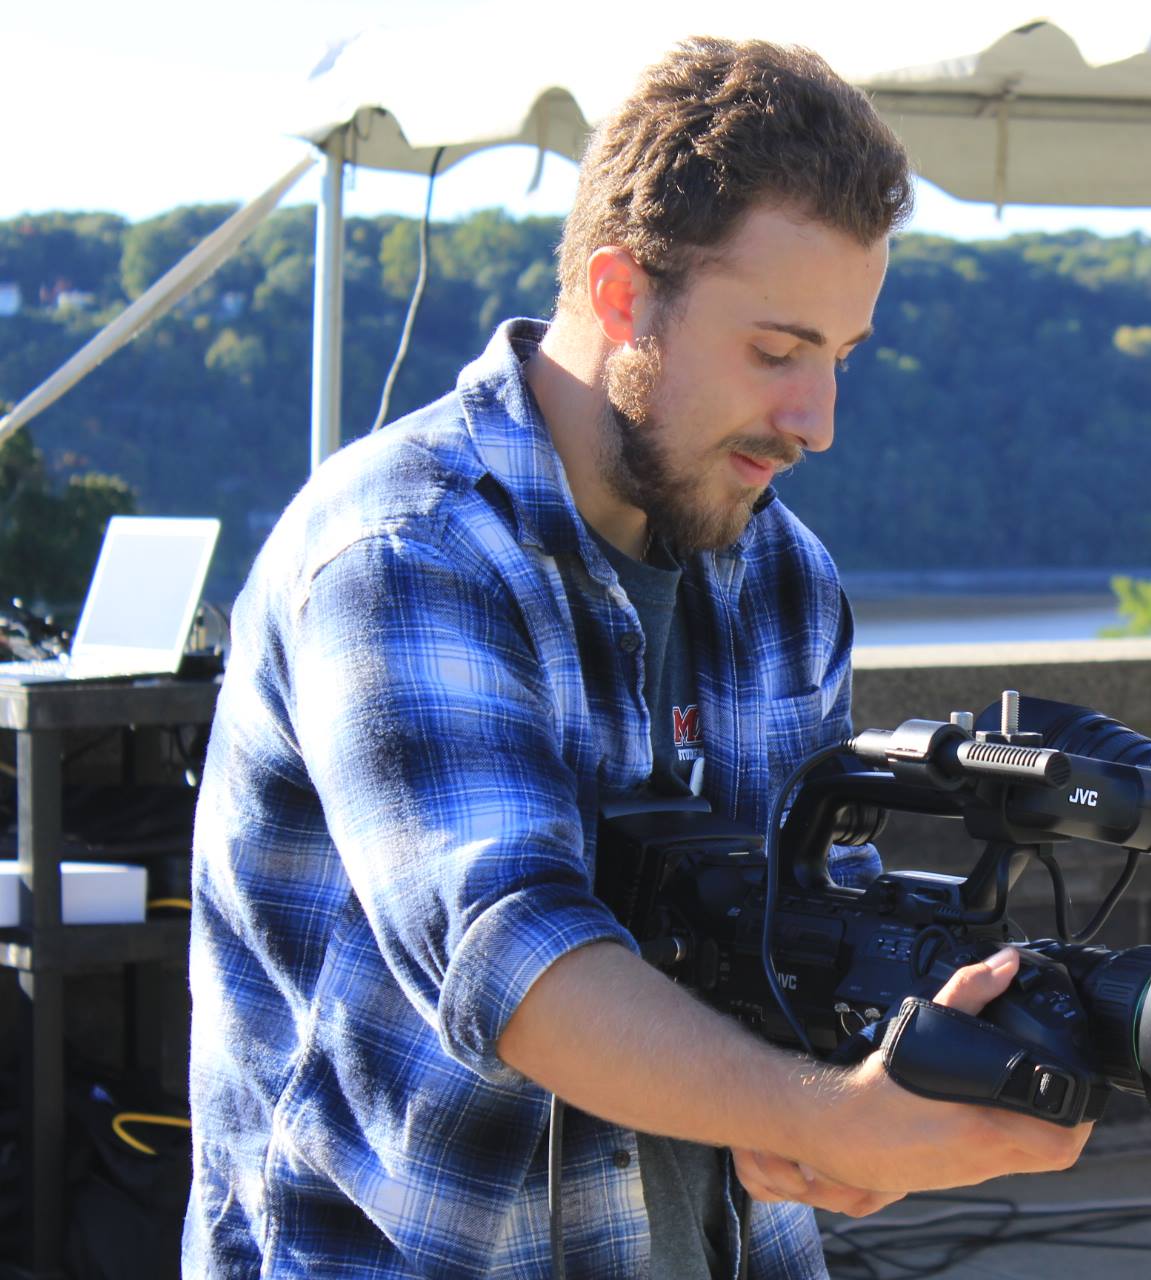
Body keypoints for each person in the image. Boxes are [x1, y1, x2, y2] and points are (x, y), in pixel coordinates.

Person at [186, 37, 1090, 1279]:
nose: (817, 419)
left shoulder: (781, 573)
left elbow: (796, 920)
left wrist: (917, 1060)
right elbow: (513, 958)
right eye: (777, 351)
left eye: (840, 356)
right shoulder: (404, 550)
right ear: (619, 295)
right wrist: (826, 1114)